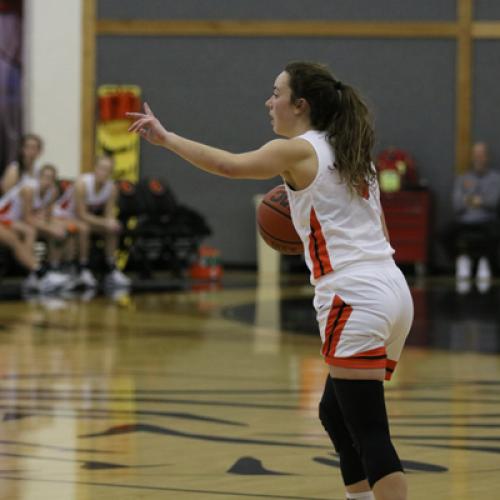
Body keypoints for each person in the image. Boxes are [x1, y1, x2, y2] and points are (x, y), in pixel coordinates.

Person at [128, 61, 413, 500]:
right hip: (392, 288)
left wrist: (166, 139)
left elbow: (229, 166)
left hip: (354, 295)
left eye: (276, 92)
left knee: (370, 430)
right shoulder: (352, 150)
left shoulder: (299, 150)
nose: (269, 100)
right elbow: (382, 231)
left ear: (300, 105)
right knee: (334, 414)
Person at [73, 155, 130, 288]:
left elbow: (109, 214)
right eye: (102, 168)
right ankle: (83, 269)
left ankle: (111, 269)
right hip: (69, 217)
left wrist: (112, 222)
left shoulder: (111, 188)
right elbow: (81, 214)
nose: (104, 172)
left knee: (112, 229)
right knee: (84, 228)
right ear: (95, 168)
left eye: (108, 170)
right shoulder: (82, 184)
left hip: (89, 220)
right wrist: (105, 222)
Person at [450, 142, 500, 285]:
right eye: (476, 155)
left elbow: (493, 202)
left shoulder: (495, 178)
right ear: (472, 157)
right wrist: (478, 201)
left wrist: (471, 200)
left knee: (494, 232)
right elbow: (457, 204)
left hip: (487, 219)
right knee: (444, 233)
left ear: (487, 157)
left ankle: (486, 262)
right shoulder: (464, 178)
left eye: (481, 155)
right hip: (464, 219)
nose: (479, 158)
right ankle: (462, 260)